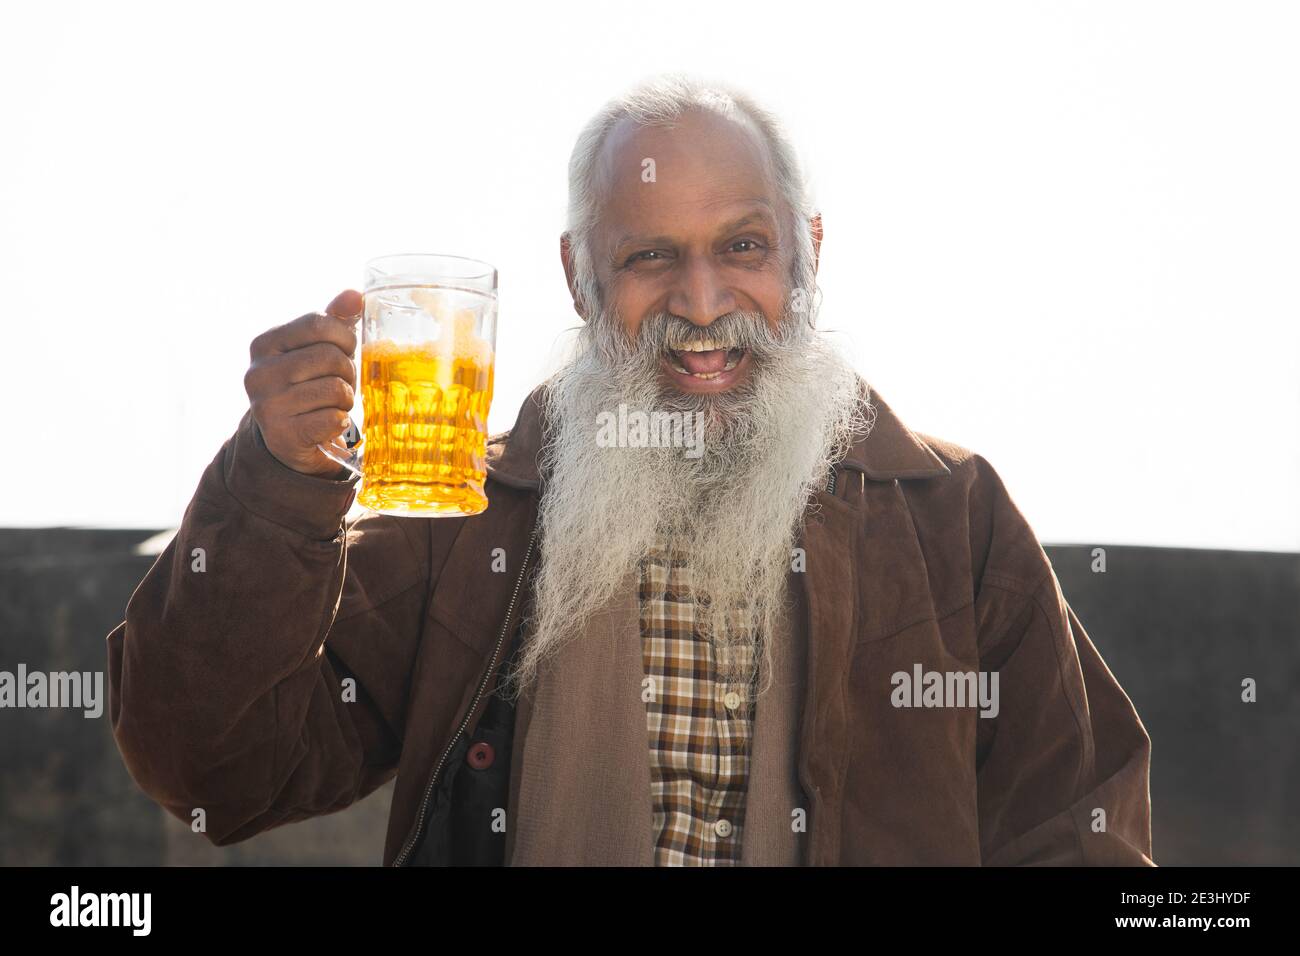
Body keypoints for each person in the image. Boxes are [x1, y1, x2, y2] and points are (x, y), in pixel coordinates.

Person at [107, 73, 1153, 866]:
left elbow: (1081, 827)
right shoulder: (465, 513)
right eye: (650, 256)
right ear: (578, 274)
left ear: (808, 251)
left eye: (742, 246)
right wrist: (277, 481)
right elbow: (214, 770)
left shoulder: (950, 516)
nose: (702, 303)